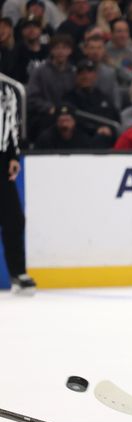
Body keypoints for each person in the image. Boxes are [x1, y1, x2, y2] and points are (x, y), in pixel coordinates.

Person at [0, 80, 37, 294]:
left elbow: (12, 124)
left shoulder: (7, 90)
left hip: (2, 159)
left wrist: (13, 155)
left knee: (13, 217)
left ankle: (18, 272)